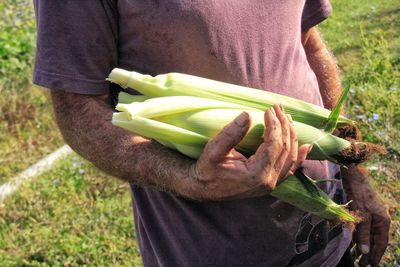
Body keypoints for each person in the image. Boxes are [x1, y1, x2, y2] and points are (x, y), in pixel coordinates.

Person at [32, 1, 390, 266]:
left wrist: (353, 170)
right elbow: (78, 106)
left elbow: (306, 43)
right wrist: (188, 179)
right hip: (211, 251)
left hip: (328, 233)